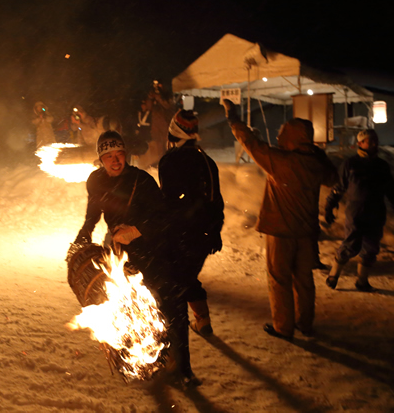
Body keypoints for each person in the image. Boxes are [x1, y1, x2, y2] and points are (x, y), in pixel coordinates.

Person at [74, 130, 200, 387]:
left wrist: (135, 230)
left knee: (171, 304)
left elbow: (162, 216)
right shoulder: (95, 181)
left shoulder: (141, 180)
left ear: (126, 155)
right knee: (131, 309)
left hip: (154, 249)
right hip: (122, 255)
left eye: (119, 154)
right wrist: (84, 234)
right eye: (108, 156)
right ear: (101, 159)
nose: (115, 160)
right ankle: (146, 359)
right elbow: (93, 212)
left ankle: (184, 367)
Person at [222, 99, 338, 340]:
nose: (278, 138)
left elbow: (251, 143)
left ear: (293, 137)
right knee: (304, 280)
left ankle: (283, 327)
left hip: (280, 232)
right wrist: (315, 151)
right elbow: (332, 177)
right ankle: (305, 323)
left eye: (283, 134)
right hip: (306, 232)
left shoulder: (282, 162)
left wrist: (233, 118)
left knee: (279, 279)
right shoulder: (315, 163)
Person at [158, 110, 224, 338]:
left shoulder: (169, 161)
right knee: (186, 276)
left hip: (178, 233)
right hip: (202, 233)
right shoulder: (207, 161)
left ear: (173, 134)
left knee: (175, 280)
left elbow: (168, 200)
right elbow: (215, 199)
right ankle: (202, 321)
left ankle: (174, 334)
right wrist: (215, 231)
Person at [324, 129, 394, 292]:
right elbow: (339, 188)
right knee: (351, 245)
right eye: (371, 141)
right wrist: (329, 206)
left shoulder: (382, 166)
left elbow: (392, 191)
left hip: (376, 211)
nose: (375, 143)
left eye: (376, 140)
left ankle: (362, 281)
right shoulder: (350, 164)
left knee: (371, 246)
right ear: (360, 143)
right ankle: (333, 275)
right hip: (356, 211)